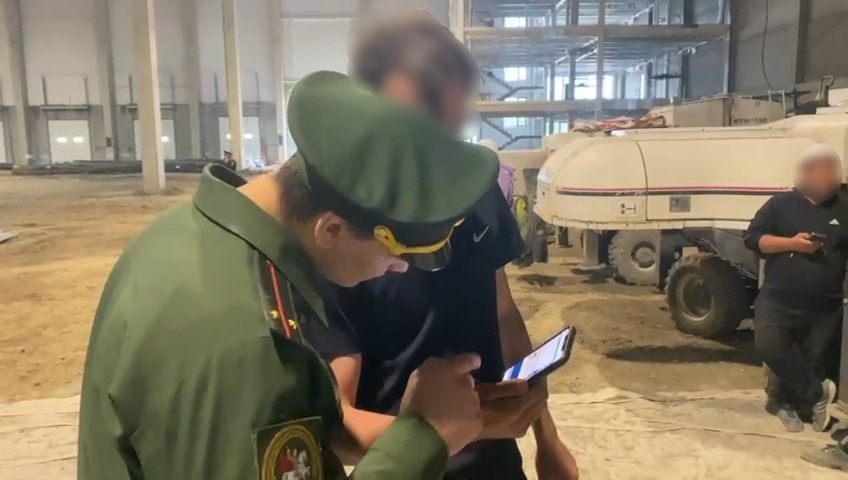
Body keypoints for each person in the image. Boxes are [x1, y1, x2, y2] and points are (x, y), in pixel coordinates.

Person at [76, 71, 502, 479]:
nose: (400, 267)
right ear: (330, 229)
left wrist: (438, 426)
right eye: (396, 252)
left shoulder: (187, 235)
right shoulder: (247, 344)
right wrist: (422, 437)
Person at [302, 11, 578, 480]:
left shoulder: (477, 191)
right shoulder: (343, 234)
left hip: (496, 464)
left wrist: (546, 439)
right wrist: (455, 432)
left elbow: (503, 314)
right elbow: (340, 424)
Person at [744, 143, 847, 433]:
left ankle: (800, 405)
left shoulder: (844, 205)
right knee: (770, 345)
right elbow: (752, 239)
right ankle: (815, 395)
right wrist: (792, 243)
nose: (825, 176)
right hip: (778, 297)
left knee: (811, 357)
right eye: (819, 170)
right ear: (805, 172)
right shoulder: (780, 204)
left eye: (830, 169)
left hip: (825, 302)